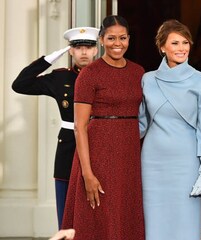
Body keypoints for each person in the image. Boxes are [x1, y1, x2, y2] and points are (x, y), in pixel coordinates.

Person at [61, 15, 145, 239]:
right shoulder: (89, 74)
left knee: (126, 212)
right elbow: (79, 126)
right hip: (99, 153)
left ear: (129, 39)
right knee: (99, 215)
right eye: (111, 38)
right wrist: (87, 174)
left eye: (123, 38)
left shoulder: (138, 72)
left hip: (129, 154)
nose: (118, 43)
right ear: (101, 39)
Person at [11, 27, 99, 228]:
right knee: (66, 207)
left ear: (96, 50)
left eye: (88, 47)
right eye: (78, 48)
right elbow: (20, 84)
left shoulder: (104, 76)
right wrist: (50, 58)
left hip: (98, 142)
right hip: (69, 145)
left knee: (97, 209)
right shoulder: (60, 78)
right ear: (70, 51)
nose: (84, 52)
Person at [138, 19, 201, 240]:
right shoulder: (147, 79)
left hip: (186, 161)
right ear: (162, 47)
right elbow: (140, 124)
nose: (182, 48)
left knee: (185, 222)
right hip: (153, 161)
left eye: (185, 42)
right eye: (175, 43)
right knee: (154, 222)